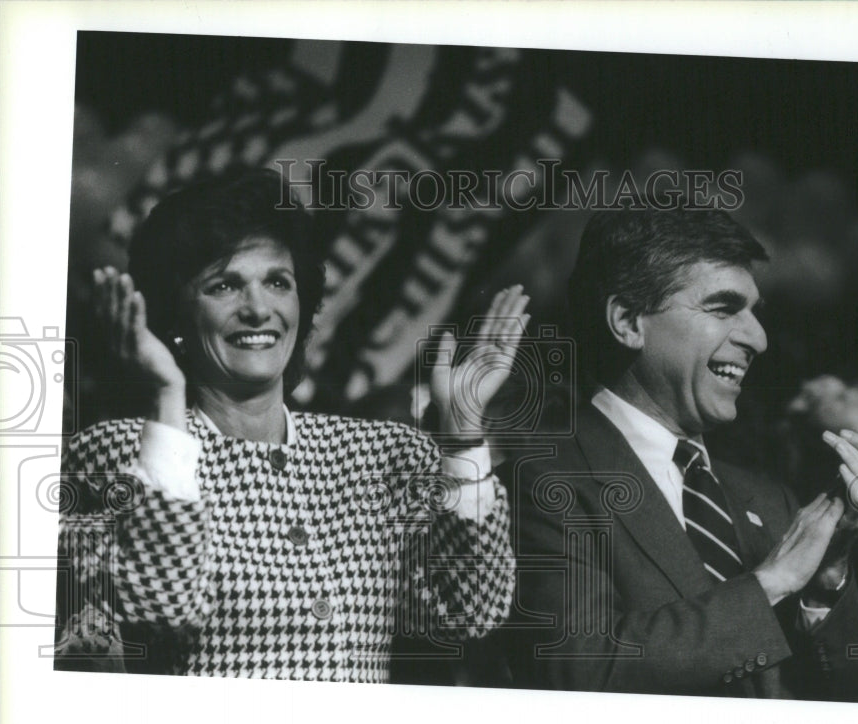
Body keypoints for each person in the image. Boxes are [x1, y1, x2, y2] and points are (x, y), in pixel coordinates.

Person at [55, 167, 529, 682]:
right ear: (174, 317)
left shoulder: (387, 454)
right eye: (224, 285)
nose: (258, 309)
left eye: (277, 282)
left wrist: (461, 432)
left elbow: (468, 613)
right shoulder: (112, 454)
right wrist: (167, 393)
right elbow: (158, 607)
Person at [506, 208, 858, 700]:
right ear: (627, 321)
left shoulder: (774, 502)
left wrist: (826, 576)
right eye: (724, 308)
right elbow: (582, 674)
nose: (758, 338)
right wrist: (772, 582)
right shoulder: (539, 480)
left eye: (755, 313)